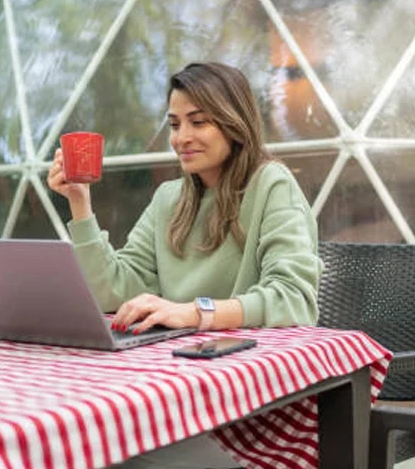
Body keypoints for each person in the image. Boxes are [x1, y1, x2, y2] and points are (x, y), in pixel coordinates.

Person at [47, 60, 321, 334]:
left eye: (198, 122)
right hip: (178, 360)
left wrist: (194, 312)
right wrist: (79, 202)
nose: (182, 138)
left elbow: (293, 298)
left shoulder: (272, 185)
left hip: (249, 362)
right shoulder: (168, 198)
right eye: (175, 125)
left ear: (234, 123)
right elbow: (111, 291)